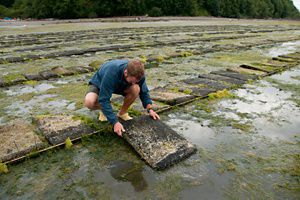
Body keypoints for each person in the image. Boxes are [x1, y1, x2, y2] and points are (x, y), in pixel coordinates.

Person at [84, 59, 160, 137]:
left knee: (136, 88)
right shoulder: (112, 72)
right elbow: (103, 99)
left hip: (121, 85)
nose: (134, 83)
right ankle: (104, 110)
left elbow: (144, 91)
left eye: (136, 81)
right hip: (100, 82)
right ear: (126, 72)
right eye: (132, 81)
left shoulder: (139, 75)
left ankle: (122, 113)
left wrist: (150, 109)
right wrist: (115, 122)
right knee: (89, 102)